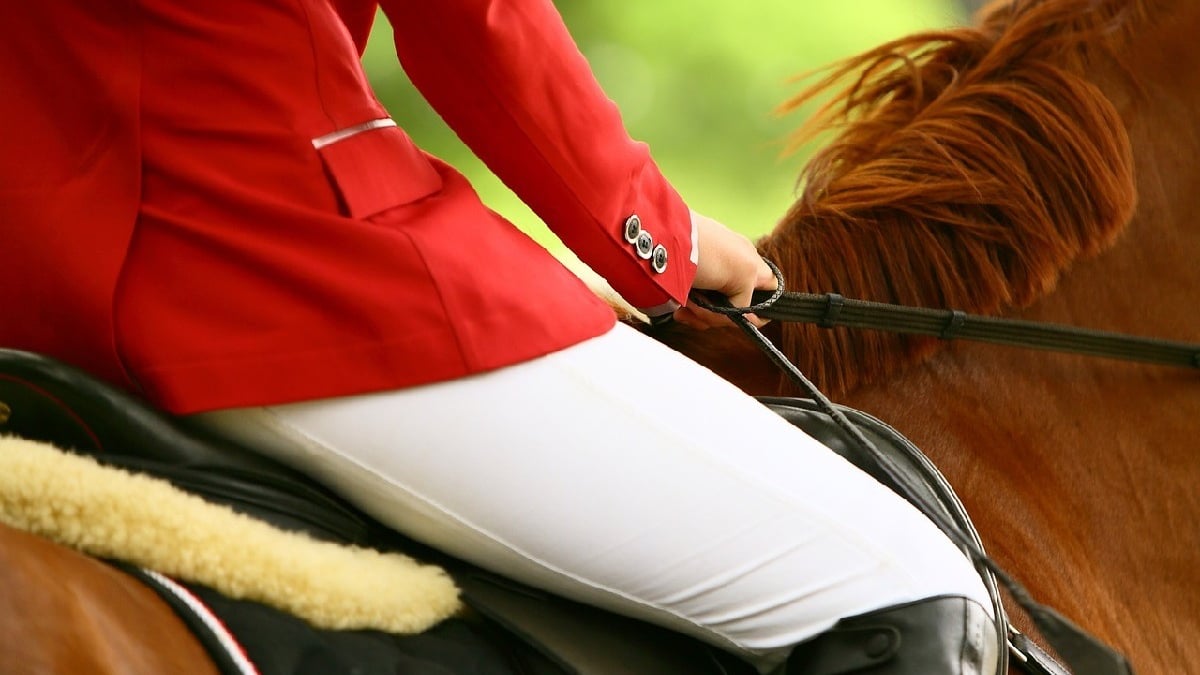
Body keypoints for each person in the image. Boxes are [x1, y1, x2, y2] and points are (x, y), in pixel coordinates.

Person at [0, 1, 997, 673]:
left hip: (41, 289)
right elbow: (476, 20)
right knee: (901, 591)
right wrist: (660, 233)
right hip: (279, 272)